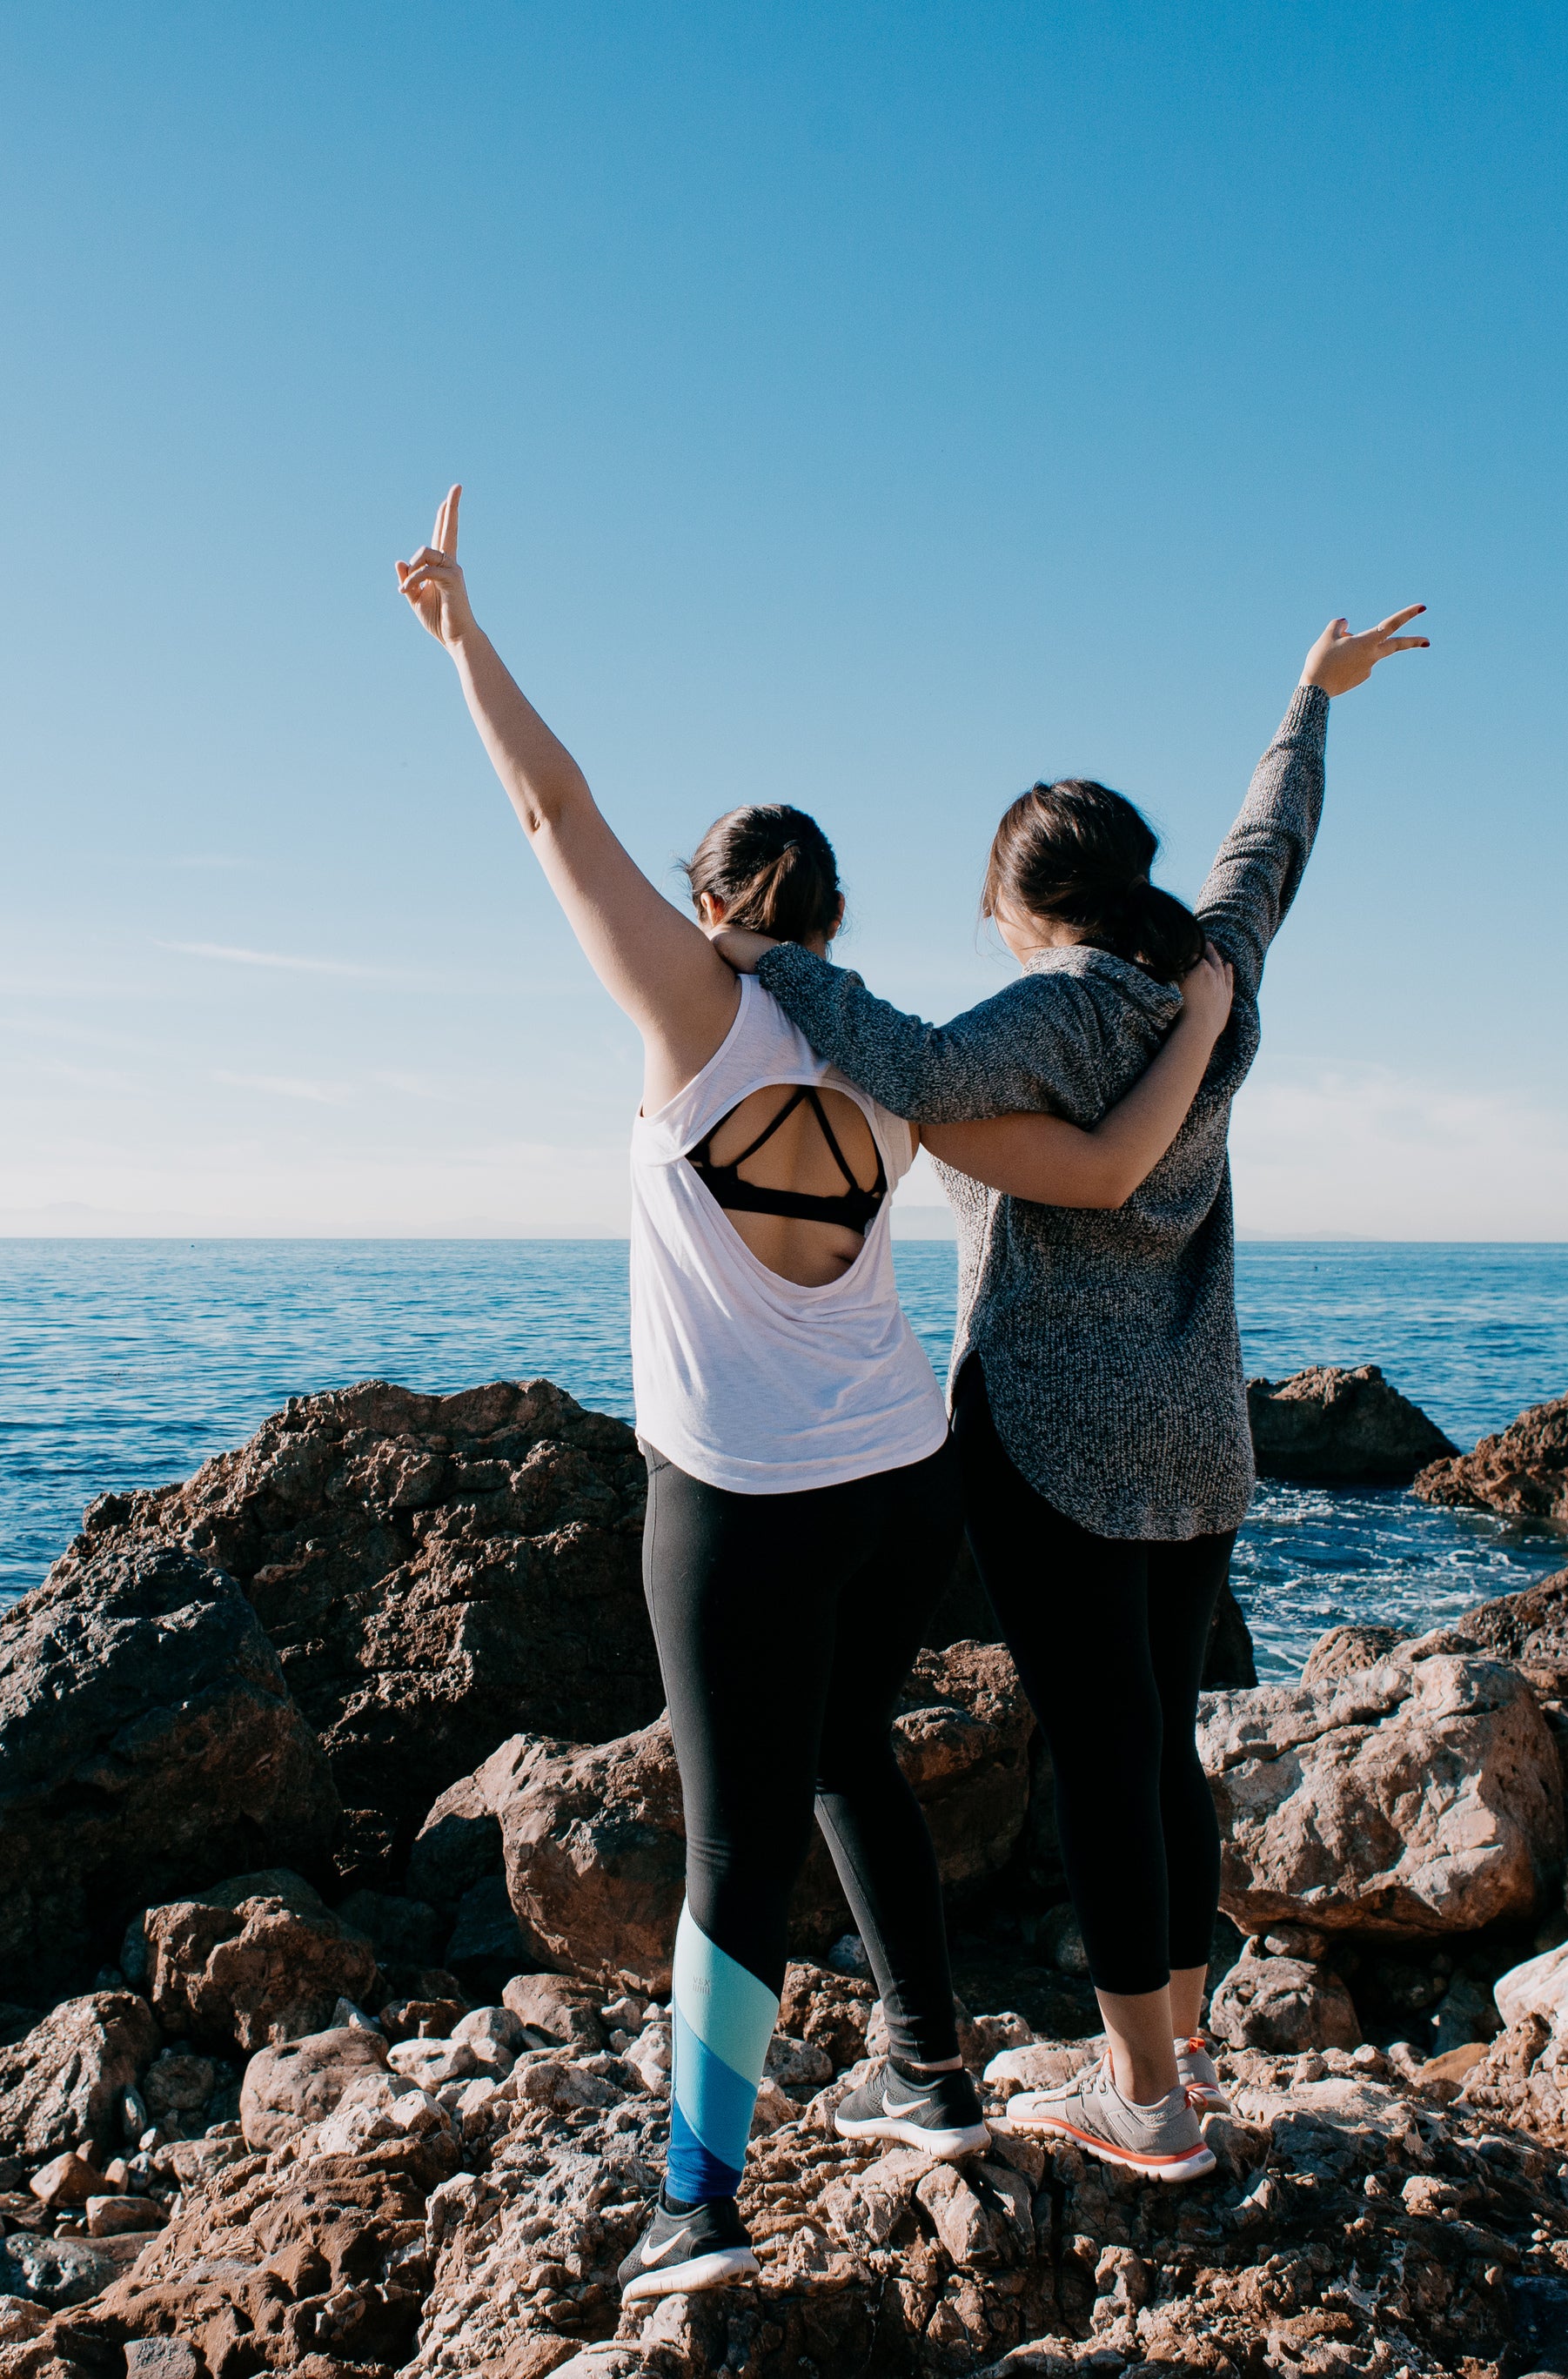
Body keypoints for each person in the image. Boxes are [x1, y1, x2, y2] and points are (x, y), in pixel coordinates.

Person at [393, 488, 1236, 2296]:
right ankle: (926, 2068)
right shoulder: (891, 1055)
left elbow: (552, 812)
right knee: (851, 1753)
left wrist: (464, 635)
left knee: (732, 1837)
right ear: (839, 907)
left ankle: (696, 2200)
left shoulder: (696, 1013)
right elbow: (1089, 1161)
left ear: (711, 907)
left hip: (745, 1495)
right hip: (904, 1481)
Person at [706, 606, 1429, 2182]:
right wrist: (1310, 693)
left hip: (1047, 1432)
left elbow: (901, 1062)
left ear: (1019, 899)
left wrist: (765, 962)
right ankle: (1173, 2047)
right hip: (1199, 1425)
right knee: (1158, 1740)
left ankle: (1149, 2102)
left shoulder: (1055, 1008)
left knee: (1098, 1755)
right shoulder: (1212, 968)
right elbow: (1269, 845)